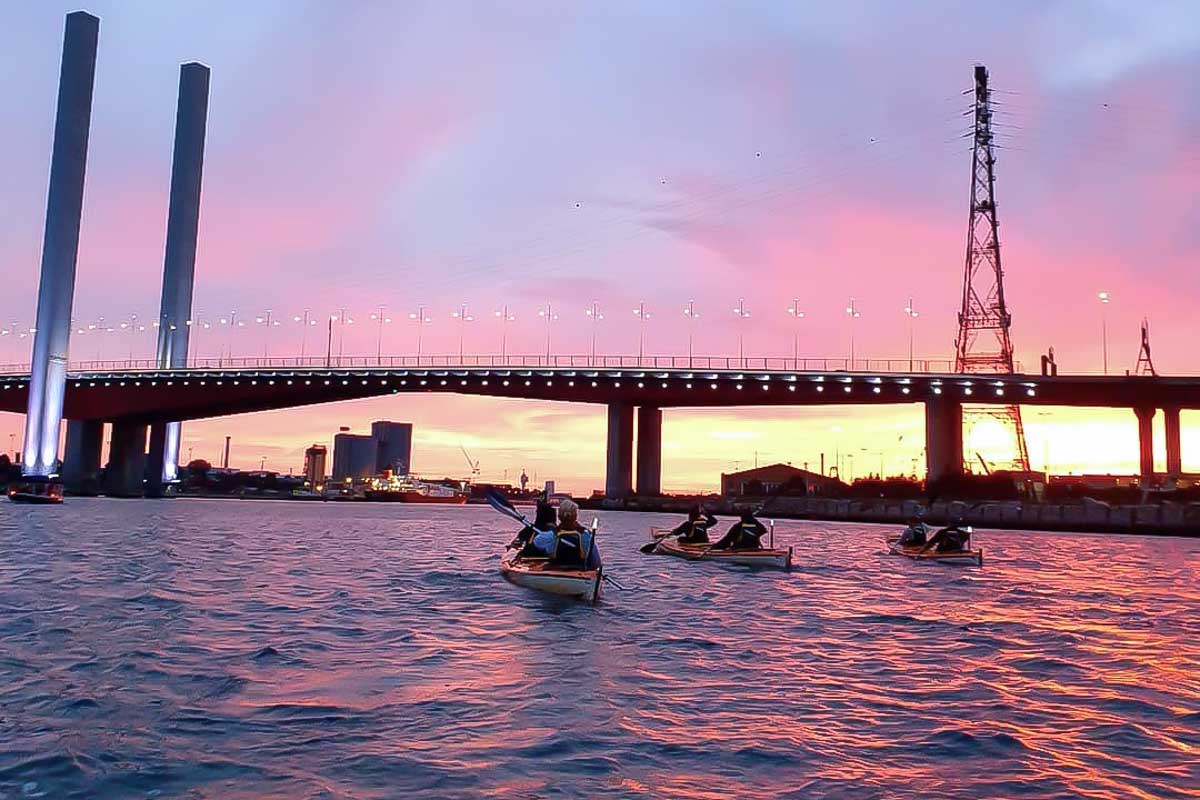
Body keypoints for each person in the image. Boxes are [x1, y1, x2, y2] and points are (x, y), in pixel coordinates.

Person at [545, 499, 602, 570]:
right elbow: (596, 563)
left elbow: (537, 542)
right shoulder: (586, 535)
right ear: (575, 516)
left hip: (556, 571)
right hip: (580, 574)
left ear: (559, 517)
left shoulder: (551, 535)